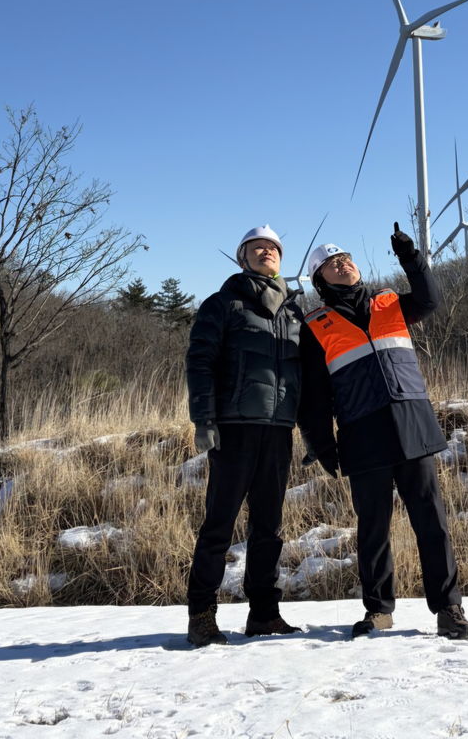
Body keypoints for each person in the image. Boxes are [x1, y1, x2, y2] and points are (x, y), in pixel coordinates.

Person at [298, 223, 468, 640]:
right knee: (373, 528)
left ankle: (449, 609)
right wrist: (321, 443)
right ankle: (378, 610)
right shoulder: (316, 325)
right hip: (362, 435)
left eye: (346, 258)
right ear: (320, 279)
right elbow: (314, 396)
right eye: (333, 263)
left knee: (432, 522)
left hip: (412, 425)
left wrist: (411, 258)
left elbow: (431, 299)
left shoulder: (388, 303)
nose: (344, 264)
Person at [185, 225, 305, 647]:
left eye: (272, 248)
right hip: (233, 429)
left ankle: (264, 614)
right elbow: (199, 362)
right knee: (219, 525)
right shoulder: (223, 304)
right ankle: (201, 614)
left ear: (280, 258)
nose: (266, 252)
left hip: (278, 432)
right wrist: (204, 420)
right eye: (257, 248)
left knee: (269, 527)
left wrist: (312, 432)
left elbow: (305, 376)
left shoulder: (294, 312)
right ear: (243, 258)